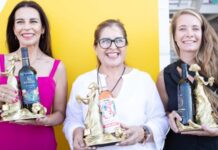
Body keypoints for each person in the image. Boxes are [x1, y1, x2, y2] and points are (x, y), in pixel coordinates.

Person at [63, 19, 168, 150]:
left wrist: (143, 132)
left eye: (119, 40)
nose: (113, 47)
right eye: (105, 41)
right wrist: (76, 132)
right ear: (95, 48)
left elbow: (161, 121)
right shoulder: (82, 82)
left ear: (126, 46)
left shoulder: (143, 80)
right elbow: (72, 120)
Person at [0, 1, 67, 150]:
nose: (27, 27)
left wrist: (41, 120)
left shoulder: (57, 67)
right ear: (14, 29)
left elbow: (60, 114)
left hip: (41, 144)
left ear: (42, 29)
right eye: (20, 22)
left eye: (33, 21)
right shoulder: (0, 62)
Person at [156, 8, 218, 150]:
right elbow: (160, 116)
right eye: (182, 29)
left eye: (195, 28)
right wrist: (169, 116)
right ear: (174, 36)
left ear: (203, 34)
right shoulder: (164, 76)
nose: (189, 34)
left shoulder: (216, 68)